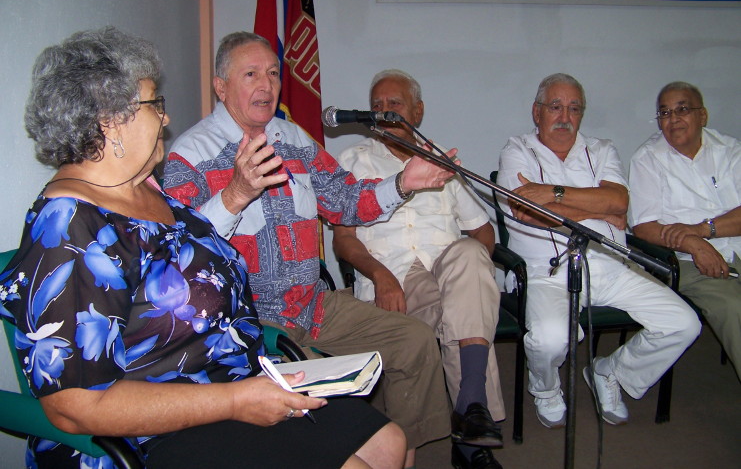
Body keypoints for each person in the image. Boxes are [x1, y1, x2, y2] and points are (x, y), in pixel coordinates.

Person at [0, 27, 406, 469]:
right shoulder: (69, 226)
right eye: (154, 103)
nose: (166, 118)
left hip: (237, 381)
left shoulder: (146, 191)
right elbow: (72, 404)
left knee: (391, 443)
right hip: (160, 429)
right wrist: (233, 401)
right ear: (109, 119)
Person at [163, 32, 454, 467]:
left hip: (313, 305)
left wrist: (402, 183)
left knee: (413, 339)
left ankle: (402, 455)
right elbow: (181, 257)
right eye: (251, 74)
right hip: (249, 321)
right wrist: (237, 192)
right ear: (221, 87)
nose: (267, 85)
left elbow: (344, 200)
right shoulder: (189, 157)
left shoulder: (294, 139)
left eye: (273, 73)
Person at [497, 73, 700, 429]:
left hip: (611, 264)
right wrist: (601, 208)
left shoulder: (602, 149)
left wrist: (555, 195)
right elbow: (528, 212)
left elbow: (620, 201)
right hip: (548, 272)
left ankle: (609, 371)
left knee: (683, 324)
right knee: (549, 340)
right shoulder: (517, 151)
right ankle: (544, 388)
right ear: (537, 112)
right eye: (555, 106)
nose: (565, 116)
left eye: (574, 108)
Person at [333, 69, 504, 469]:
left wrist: (476, 276)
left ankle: (469, 408)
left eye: (395, 104)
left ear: (418, 111)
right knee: (464, 318)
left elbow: (482, 230)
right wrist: (380, 276)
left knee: (469, 256)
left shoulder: (442, 160)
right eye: (377, 106)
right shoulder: (353, 161)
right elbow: (343, 239)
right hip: (392, 274)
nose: (385, 112)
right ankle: (471, 433)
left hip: (447, 269)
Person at [629, 81, 741, 380]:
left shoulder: (731, 150)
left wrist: (701, 231)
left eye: (682, 109)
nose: (673, 118)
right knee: (734, 306)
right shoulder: (648, 158)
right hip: (687, 262)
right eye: (664, 112)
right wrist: (693, 244)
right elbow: (643, 226)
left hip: (733, 246)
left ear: (702, 116)